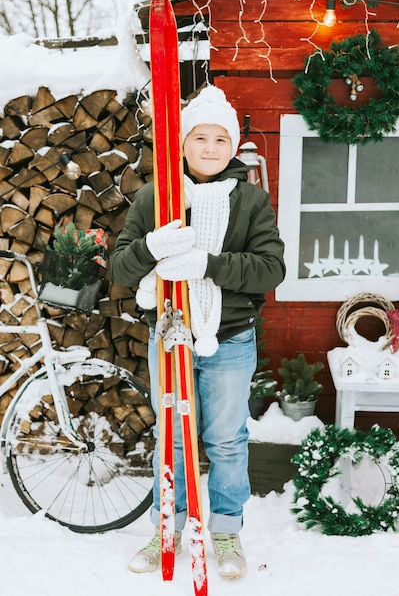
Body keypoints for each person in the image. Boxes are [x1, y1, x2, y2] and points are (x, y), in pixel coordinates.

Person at [110, 85, 286, 579]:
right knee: (174, 438)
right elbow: (123, 269)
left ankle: (225, 530)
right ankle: (168, 524)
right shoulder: (154, 196)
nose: (210, 148)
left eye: (220, 139)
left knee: (226, 440)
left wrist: (206, 264)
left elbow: (270, 269)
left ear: (234, 147)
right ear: (182, 143)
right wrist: (152, 246)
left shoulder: (251, 201)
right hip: (169, 337)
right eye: (200, 137)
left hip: (228, 340)